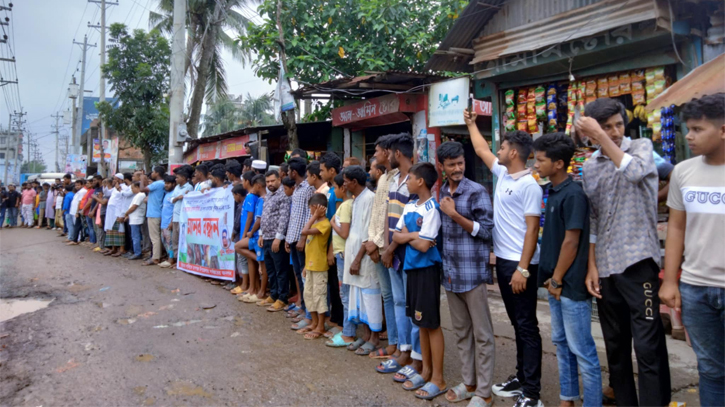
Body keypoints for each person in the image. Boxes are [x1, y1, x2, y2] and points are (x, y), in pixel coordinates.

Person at [576, 97, 670, 407]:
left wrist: (602, 137)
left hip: (638, 260)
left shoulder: (641, 148)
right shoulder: (589, 167)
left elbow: (634, 173)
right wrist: (591, 266)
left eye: (618, 125)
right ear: (590, 131)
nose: (614, 132)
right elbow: (593, 218)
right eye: (605, 127)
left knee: (648, 347)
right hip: (605, 265)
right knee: (616, 349)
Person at [465, 108, 543, 407]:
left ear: (513, 152)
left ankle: (532, 393)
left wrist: (522, 269)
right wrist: (471, 124)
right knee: (517, 323)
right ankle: (522, 378)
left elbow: (533, 229)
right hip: (506, 261)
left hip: (521, 264)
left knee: (526, 326)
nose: (497, 150)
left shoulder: (529, 185)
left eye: (502, 146)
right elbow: (481, 148)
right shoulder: (503, 174)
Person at [659, 94, 725, 407]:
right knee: (710, 369)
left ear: (723, 130)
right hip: (696, 289)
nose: (689, 135)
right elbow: (676, 227)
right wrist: (671, 280)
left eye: (697, 129)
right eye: (688, 128)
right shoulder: (683, 172)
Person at [533, 133, 602, 407]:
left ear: (559, 163)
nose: (536, 164)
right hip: (555, 283)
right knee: (561, 343)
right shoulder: (554, 190)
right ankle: (568, 397)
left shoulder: (573, 194)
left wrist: (558, 279)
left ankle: (592, 403)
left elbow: (571, 242)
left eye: (540, 160)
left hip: (569, 285)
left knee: (583, 351)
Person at [435, 141, 495, 407]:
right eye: (452, 165)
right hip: (450, 274)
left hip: (472, 273)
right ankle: (469, 382)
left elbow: (486, 231)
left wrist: (455, 214)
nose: (458, 168)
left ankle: (484, 391)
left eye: (460, 163)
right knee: (461, 332)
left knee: (482, 334)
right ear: (442, 167)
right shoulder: (442, 191)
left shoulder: (476, 192)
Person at [392, 162, 445, 400]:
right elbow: (396, 234)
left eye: (410, 178)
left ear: (420, 181)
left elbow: (425, 246)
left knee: (431, 324)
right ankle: (425, 370)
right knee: (419, 320)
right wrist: (415, 235)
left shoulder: (432, 208)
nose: (407, 182)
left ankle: (438, 378)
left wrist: (409, 237)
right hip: (412, 268)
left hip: (426, 271)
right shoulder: (411, 204)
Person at [383, 134, 423, 382]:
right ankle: (403, 349)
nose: (387, 157)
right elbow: (390, 217)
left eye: (389, 153)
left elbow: (414, 223)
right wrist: (387, 247)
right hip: (392, 251)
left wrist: (391, 247)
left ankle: (414, 356)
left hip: (408, 252)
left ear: (398, 154)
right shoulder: (393, 180)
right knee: (399, 301)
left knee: (411, 306)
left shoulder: (416, 181)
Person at [341, 165, 382, 355]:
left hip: (364, 260)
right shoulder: (356, 199)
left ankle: (374, 338)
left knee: (370, 299)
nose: (344, 183)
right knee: (359, 299)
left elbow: (368, 235)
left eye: (347, 180)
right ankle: (365, 336)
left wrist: (357, 259)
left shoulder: (370, 199)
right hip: (354, 258)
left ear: (354, 182)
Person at [285, 157, 315, 330]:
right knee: (298, 274)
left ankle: (308, 313)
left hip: (302, 239)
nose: (288, 173)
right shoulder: (296, 189)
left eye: (289, 170)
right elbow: (294, 216)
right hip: (294, 237)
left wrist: (303, 238)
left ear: (294, 172)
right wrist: (289, 238)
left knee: (305, 277)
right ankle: (302, 307)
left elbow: (309, 216)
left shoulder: (308, 189)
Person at [299, 193, 332, 339]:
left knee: (319, 296)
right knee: (309, 295)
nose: (310, 212)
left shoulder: (325, 224)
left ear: (318, 208)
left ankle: (320, 326)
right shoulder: (315, 223)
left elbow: (304, 232)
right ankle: (313, 322)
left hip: (319, 266)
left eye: (312, 209)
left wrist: (314, 216)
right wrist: (306, 265)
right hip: (310, 265)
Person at [326, 174, 354, 347]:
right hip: (341, 253)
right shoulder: (347, 205)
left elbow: (344, 233)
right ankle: (347, 330)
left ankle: (348, 332)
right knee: (345, 293)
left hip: (343, 253)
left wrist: (332, 223)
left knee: (345, 294)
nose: (334, 191)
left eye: (335, 187)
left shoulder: (345, 206)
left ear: (343, 188)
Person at [259, 170, 291, 312]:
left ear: (279, 179)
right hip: (266, 237)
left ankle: (282, 298)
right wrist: (261, 234)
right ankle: (273, 294)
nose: (270, 184)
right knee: (270, 269)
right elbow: (265, 217)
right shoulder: (268, 196)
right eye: (268, 182)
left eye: (272, 181)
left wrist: (278, 238)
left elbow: (284, 218)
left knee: (280, 270)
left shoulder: (283, 195)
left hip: (276, 239)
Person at [318, 152, 344, 328]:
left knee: (337, 286)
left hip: (335, 246)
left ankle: (340, 323)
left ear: (332, 170)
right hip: (329, 243)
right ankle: (335, 319)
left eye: (322, 170)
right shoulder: (331, 190)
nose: (320, 174)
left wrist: (330, 250)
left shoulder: (338, 192)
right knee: (332, 283)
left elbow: (338, 221)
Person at [235, 171, 261, 301]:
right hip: (249, 232)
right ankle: (252, 288)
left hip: (250, 232)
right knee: (249, 261)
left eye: (243, 180)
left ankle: (260, 260)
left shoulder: (251, 197)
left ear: (247, 182)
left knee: (240, 249)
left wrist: (245, 234)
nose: (242, 182)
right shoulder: (251, 196)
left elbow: (250, 217)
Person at [140, 166, 167, 266]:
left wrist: (142, 179)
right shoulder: (161, 184)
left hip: (154, 213)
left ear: (157, 173)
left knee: (154, 237)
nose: (152, 174)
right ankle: (157, 255)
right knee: (157, 237)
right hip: (157, 212)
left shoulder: (157, 183)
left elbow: (142, 189)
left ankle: (155, 257)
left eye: (153, 172)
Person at [170, 165, 194, 265]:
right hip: (175, 217)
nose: (176, 179)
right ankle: (177, 260)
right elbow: (171, 199)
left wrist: (180, 197)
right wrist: (177, 198)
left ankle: (183, 261)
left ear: (184, 178)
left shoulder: (189, 187)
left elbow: (188, 198)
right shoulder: (176, 187)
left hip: (183, 218)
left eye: (178, 177)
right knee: (175, 240)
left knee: (182, 240)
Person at [122, 181, 147, 260]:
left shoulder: (140, 195)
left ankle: (137, 253)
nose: (132, 190)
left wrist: (126, 213)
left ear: (137, 187)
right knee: (134, 236)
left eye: (133, 188)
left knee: (135, 237)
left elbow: (134, 207)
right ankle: (136, 252)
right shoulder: (138, 195)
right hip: (134, 218)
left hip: (136, 219)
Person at [158, 175, 177, 268]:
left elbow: (175, 209)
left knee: (170, 243)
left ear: (173, 184)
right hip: (163, 223)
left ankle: (171, 259)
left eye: (168, 183)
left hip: (169, 223)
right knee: (165, 241)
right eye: (165, 183)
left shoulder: (174, 194)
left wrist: (171, 222)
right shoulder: (167, 194)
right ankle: (169, 258)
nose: (166, 185)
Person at [67, 179, 89, 245]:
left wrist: (77, 212)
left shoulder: (82, 191)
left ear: (82, 185)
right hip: (74, 211)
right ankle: (75, 238)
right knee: (75, 225)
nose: (77, 186)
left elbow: (80, 202)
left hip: (77, 211)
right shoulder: (78, 192)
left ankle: (78, 239)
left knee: (78, 226)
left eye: (78, 185)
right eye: (76, 185)